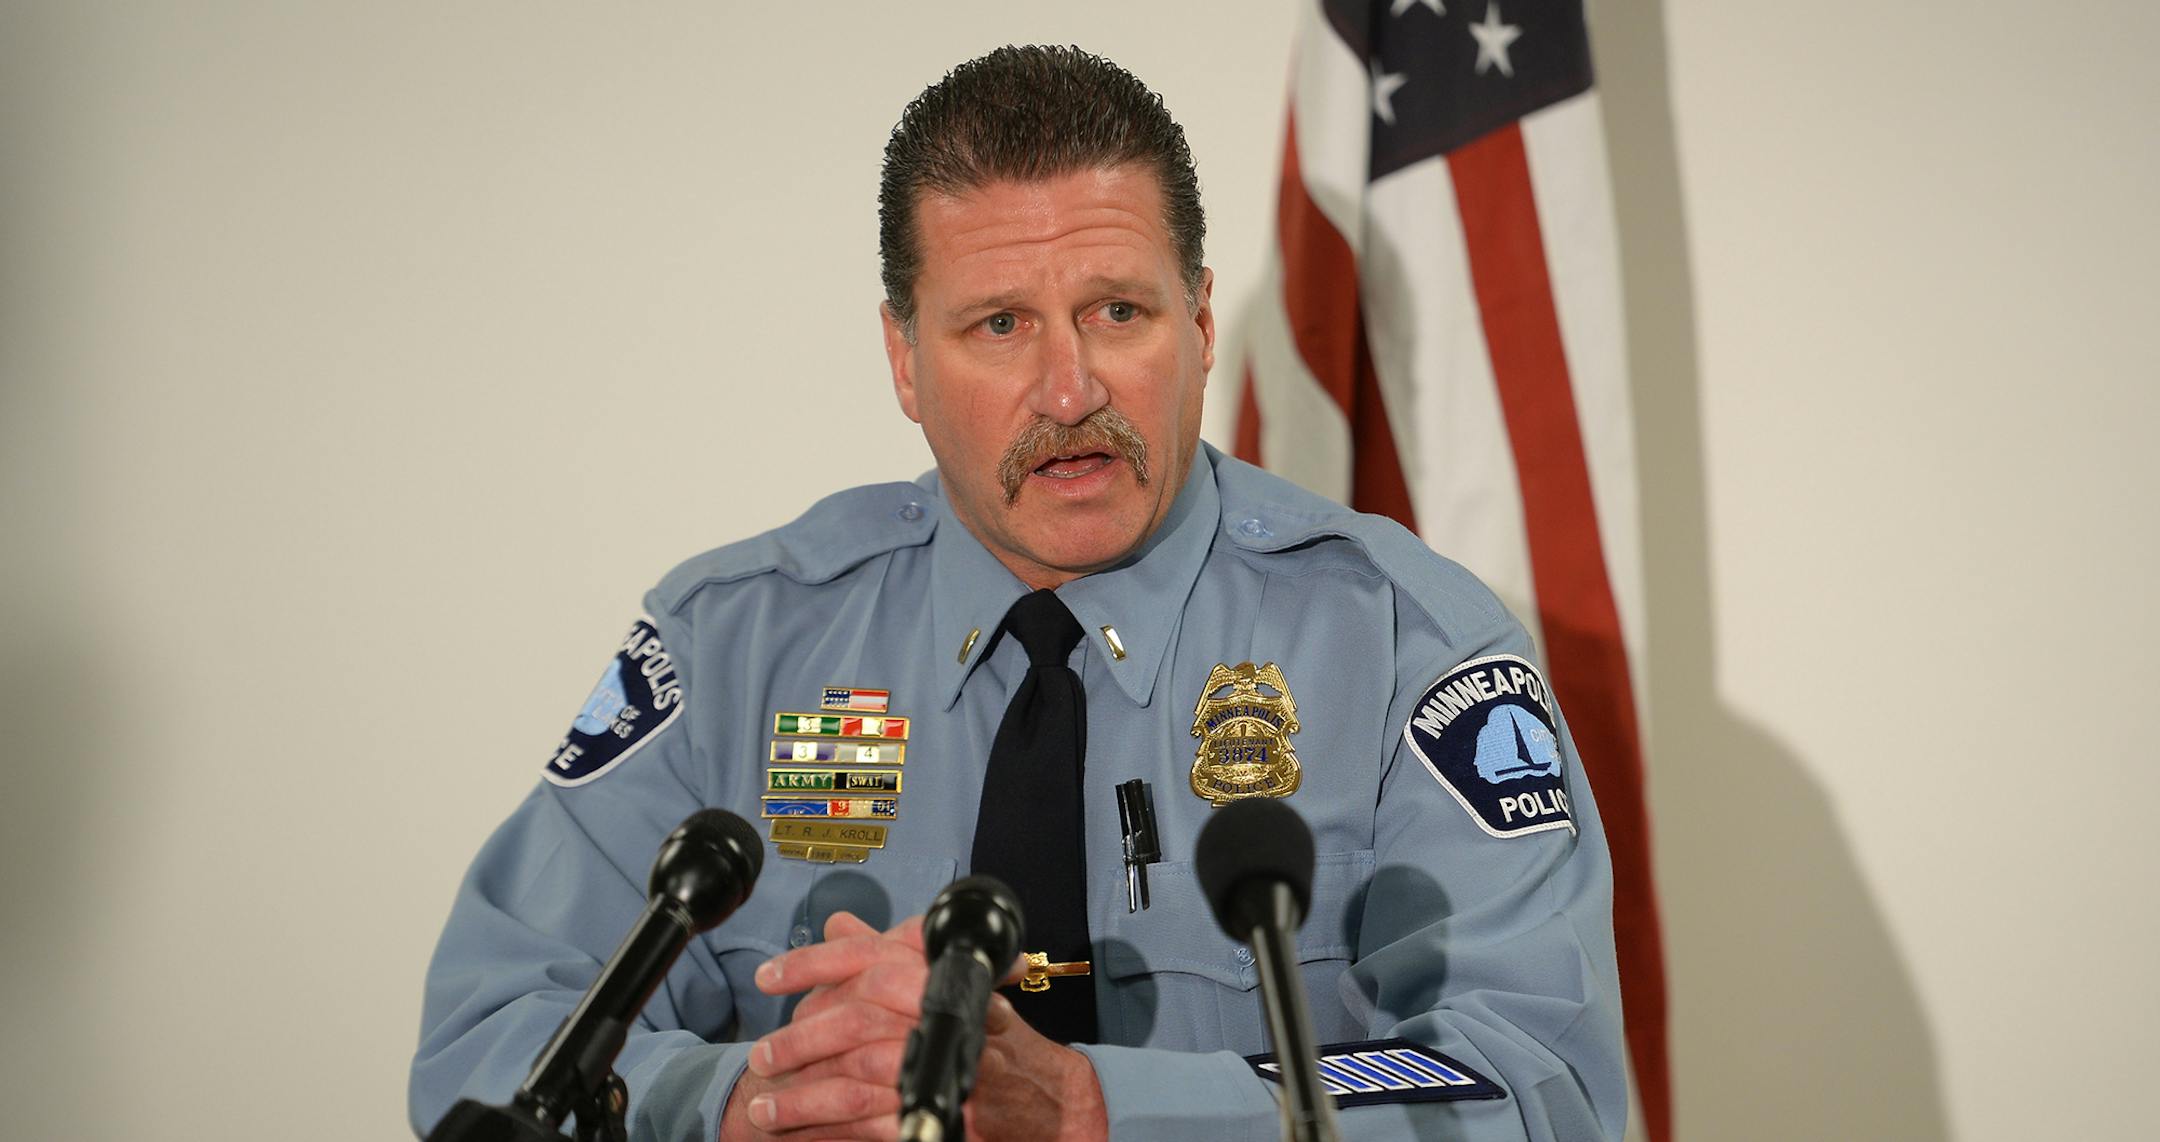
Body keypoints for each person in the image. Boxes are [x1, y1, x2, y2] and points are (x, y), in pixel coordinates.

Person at [410, 44, 1626, 1142]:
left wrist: (1098, 1109)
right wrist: (752, 1099)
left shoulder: (1410, 646)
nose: (1068, 387)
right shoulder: (734, 645)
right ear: (903, 358)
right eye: (999, 323)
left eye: (1118, 310)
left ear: (1200, 319)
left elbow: (1541, 1084)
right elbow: (490, 1036)